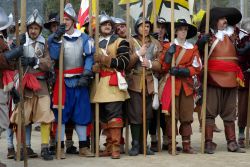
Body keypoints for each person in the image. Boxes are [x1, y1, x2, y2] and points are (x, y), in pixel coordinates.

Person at [48, 3, 94, 158]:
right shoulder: (54, 39)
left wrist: (87, 73)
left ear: (73, 20)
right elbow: (53, 57)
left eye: (67, 19)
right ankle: (59, 147)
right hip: (62, 82)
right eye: (63, 19)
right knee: (60, 113)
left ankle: (83, 146)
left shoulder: (84, 38)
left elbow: (89, 57)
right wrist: (56, 39)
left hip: (80, 80)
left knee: (82, 113)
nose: (65, 22)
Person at [198, 7, 245, 154]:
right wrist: (200, 45)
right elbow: (197, 54)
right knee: (210, 112)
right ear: (214, 21)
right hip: (213, 77)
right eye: (221, 18)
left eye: (226, 19)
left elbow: (242, 53)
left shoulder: (234, 35)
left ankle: (232, 142)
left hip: (231, 78)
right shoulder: (208, 37)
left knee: (230, 111)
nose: (225, 21)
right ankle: (208, 142)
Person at [10, 9, 55, 161]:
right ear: (28, 29)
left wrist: (35, 61)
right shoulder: (19, 41)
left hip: (41, 83)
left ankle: (44, 148)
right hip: (24, 83)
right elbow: (10, 62)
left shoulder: (44, 43)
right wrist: (17, 50)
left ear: (40, 29)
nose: (33, 31)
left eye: (36, 28)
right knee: (22, 117)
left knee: (45, 114)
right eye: (31, 28)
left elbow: (48, 63)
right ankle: (23, 148)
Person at [160, 19, 201, 154]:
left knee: (187, 115)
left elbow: (197, 67)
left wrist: (183, 71)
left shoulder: (192, 48)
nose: (183, 31)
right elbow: (163, 67)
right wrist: (169, 55)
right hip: (172, 84)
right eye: (181, 29)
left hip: (187, 86)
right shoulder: (168, 46)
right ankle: (172, 144)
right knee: (172, 116)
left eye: (185, 29)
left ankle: (187, 145)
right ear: (176, 31)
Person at [92, 13, 130, 159]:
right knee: (103, 117)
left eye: (109, 24)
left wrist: (104, 60)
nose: (107, 26)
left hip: (114, 83)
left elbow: (124, 63)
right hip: (100, 84)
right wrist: (95, 68)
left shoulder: (121, 42)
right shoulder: (96, 43)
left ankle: (115, 148)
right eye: (104, 24)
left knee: (114, 116)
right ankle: (108, 147)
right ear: (99, 27)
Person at [126, 17, 161, 156]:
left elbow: (160, 63)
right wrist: (137, 55)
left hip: (150, 83)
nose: (145, 28)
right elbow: (126, 63)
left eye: (147, 26)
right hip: (135, 81)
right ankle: (135, 144)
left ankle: (143, 144)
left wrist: (151, 64)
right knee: (135, 114)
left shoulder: (155, 43)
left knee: (147, 115)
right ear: (137, 27)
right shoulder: (130, 42)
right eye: (142, 25)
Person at [235, 18, 250, 148]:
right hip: (245, 76)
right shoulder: (240, 39)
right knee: (243, 106)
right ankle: (241, 133)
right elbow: (237, 57)